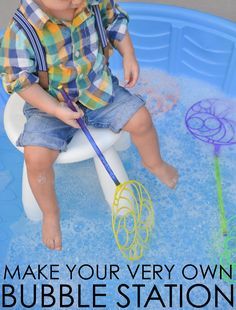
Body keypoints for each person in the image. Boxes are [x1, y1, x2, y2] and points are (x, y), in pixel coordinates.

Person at [0, 0, 178, 251]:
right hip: (49, 105)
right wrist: (53, 108)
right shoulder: (21, 32)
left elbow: (116, 25)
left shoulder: (93, 3)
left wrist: (129, 55)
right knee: (36, 159)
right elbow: (21, 83)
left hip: (97, 90)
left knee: (141, 119)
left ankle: (154, 162)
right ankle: (50, 213)